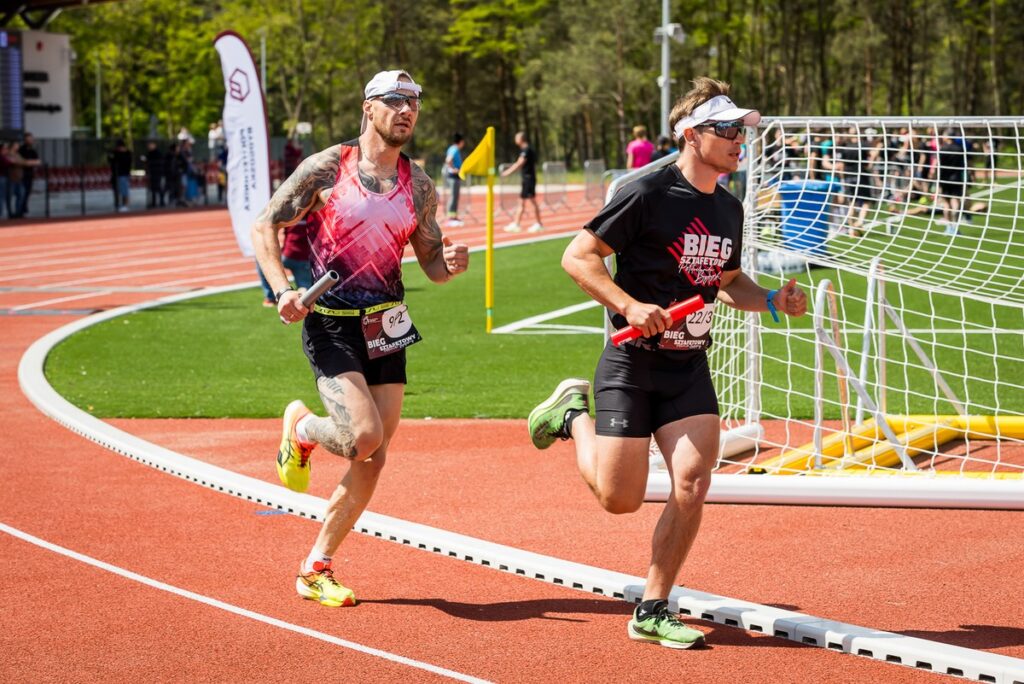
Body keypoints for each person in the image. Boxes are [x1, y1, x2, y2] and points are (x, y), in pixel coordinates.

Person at [526, 77, 807, 649]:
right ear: (691, 134)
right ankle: (573, 416)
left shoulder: (728, 207)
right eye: (727, 129)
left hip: (688, 368)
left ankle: (653, 608)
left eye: (741, 131)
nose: (739, 140)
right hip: (631, 365)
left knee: (693, 481)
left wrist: (772, 299)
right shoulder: (646, 192)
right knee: (619, 500)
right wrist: (629, 305)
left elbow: (727, 281)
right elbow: (578, 256)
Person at [251, 69, 469, 608]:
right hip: (332, 321)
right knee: (362, 437)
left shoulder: (419, 184)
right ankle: (302, 426)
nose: (407, 109)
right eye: (395, 99)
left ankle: (316, 567)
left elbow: (433, 265)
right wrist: (283, 289)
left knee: (373, 456)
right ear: (368, 107)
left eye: (414, 101)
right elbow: (264, 225)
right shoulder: (329, 167)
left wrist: (451, 264)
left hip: (388, 323)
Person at [501, 131, 543, 233]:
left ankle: (539, 223)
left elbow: (519, 163)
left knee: (532, 202)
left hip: (529, 179)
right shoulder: (525, 149)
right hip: (526, 179)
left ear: (520, 139)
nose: (515, 140)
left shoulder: (526, 150)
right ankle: (516, 223)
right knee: (521, 202)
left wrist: (508, 172)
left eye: (516, 138)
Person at [937, 128, 969, 235]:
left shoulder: (942, 149)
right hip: (956, 178)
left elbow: (938, 165)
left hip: (944, 178)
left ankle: (949, 227)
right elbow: (965, 164)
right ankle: (955, 227)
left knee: (946, 204)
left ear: (947, 136)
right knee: (955, 201)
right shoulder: (960, 149)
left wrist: (936, 180)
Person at [443, 132, 465, 226]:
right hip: (453, 176)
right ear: (461, 141)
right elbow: (448, 160)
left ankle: (454, 216)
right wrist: (452, 169)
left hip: (455, 176)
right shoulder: (454, 149)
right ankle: (450, 218)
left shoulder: (452, 148)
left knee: (455, 196)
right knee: (453, 196)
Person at [17, 132, 39, 216]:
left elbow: (37, 161)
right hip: (22, 174)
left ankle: (24, 208)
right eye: (28, 139)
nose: (30, 141)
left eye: (31, 139)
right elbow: (23, 162)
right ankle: (20, 210)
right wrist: (29, 162)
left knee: (27, 192)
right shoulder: (21, 150)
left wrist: (30, 162)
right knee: (22, 192)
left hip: (30, 174)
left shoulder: (33, 150)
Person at [108, 139, 133, 212]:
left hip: (123, 174)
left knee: (124, 190)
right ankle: (117, 204)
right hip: (116, 174)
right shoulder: (115, 153)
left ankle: (125, 205)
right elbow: (111, 161)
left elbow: (127, 163)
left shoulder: (127, 154)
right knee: (116, 190)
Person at [143, 141, 165, 208]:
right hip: (151, 173)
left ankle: (161, 201)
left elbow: (160, 162)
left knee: (158, 187)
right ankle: (153, 202)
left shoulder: (158, 153)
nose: (149, 147)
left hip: (157, 172)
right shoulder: (149, 154)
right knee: (152, 188)